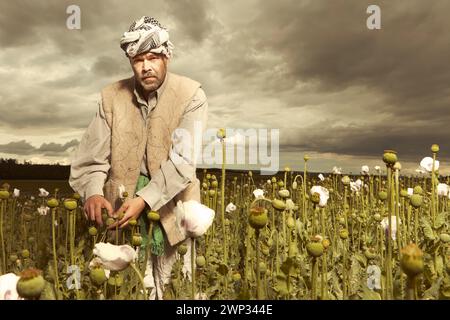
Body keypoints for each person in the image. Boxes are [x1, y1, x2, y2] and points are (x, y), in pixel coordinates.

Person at [69, 16, 207, 299]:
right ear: (130, 62)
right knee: (129, 289)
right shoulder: (110, 97)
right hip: (121, 209)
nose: (146, 67)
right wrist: (93, 192)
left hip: (175, 208)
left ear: (167, 56)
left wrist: (145, 199)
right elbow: (91, 156)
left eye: (154, 57)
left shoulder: (192, 94)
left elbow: (183, 160)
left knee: (175, 288)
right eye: (138, 60)